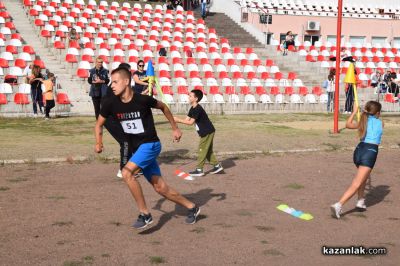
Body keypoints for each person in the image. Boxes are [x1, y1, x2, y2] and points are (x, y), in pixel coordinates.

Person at [95, 67, 200, 229]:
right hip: (138, 149)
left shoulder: (142, 100)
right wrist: (98, 142)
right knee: (161, 188)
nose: (112, 86)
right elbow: (99, 124)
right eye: (111, 82)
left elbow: (164, 106)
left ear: (126, 81)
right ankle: (192, 207)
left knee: (126, 172)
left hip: (151, 144)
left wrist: (175, 128)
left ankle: (145, 214)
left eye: (115, 82)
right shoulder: (110, 103)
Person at [331, 101, 383, 219]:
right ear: (378, 113)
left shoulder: (363, 122)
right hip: (370, 152)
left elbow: (348, 124)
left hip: (359, 151)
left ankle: (360, 201)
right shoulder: (380, 123)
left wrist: (354, 112)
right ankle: (338, 205)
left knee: (362, 178)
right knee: (357, 182)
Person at [174, 89, 223, 177]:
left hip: (207, 131)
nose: (188, 97)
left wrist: (177, 120)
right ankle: (217, 166)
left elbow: (190, 122)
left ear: (196, 99)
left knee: (202, 150)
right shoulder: (192, 108)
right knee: (207, 150)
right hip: (207, 131)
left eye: (190, 96)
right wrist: (176, 121)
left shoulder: (197, 109)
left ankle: (199, 169)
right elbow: (186, 120)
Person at [102, 62, 134, 178]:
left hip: (116, 118)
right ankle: (123, 170)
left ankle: (130, 167)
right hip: (110, 119)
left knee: (130, 141)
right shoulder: (115, 87)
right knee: (125, 142)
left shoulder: (118, 86)